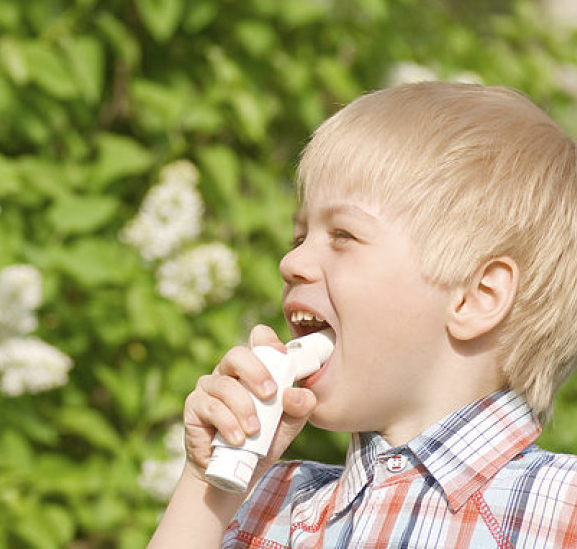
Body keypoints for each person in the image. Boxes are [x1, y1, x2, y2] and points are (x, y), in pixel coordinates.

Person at [148, 81, 577, 548]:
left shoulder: (558, 511)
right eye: (298, 239)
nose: (290, 263)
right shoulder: (271, 506)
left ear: (475, 296)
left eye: (343, 236)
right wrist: (206, 482)